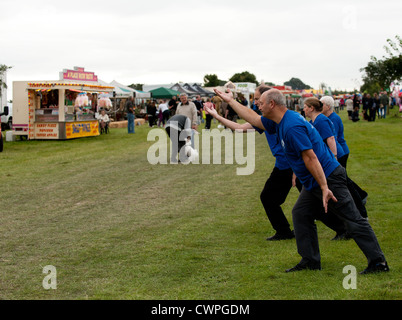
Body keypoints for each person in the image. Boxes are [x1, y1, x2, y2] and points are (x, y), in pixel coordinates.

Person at [213, 87, 389, 274]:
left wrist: (323, 187)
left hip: (328, 177)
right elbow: (253, 119)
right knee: (301, 214)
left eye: (261, 103)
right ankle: (311, 261)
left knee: (353, 219)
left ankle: (378, 263)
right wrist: (230, 101)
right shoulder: (278, 121)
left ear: (272, 104)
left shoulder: (291, 126)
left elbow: (311, 157)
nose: (258, 106)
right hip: (314, 180)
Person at [306, 97, 368, 219]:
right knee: (344, 181)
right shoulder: (318, 120)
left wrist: (334, 156)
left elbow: (331, 138)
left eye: (322, 104)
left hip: (338, 153)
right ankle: (359, 201)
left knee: (343, 183)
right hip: (334, 154)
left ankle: (360, 207)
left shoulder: (325, 119)